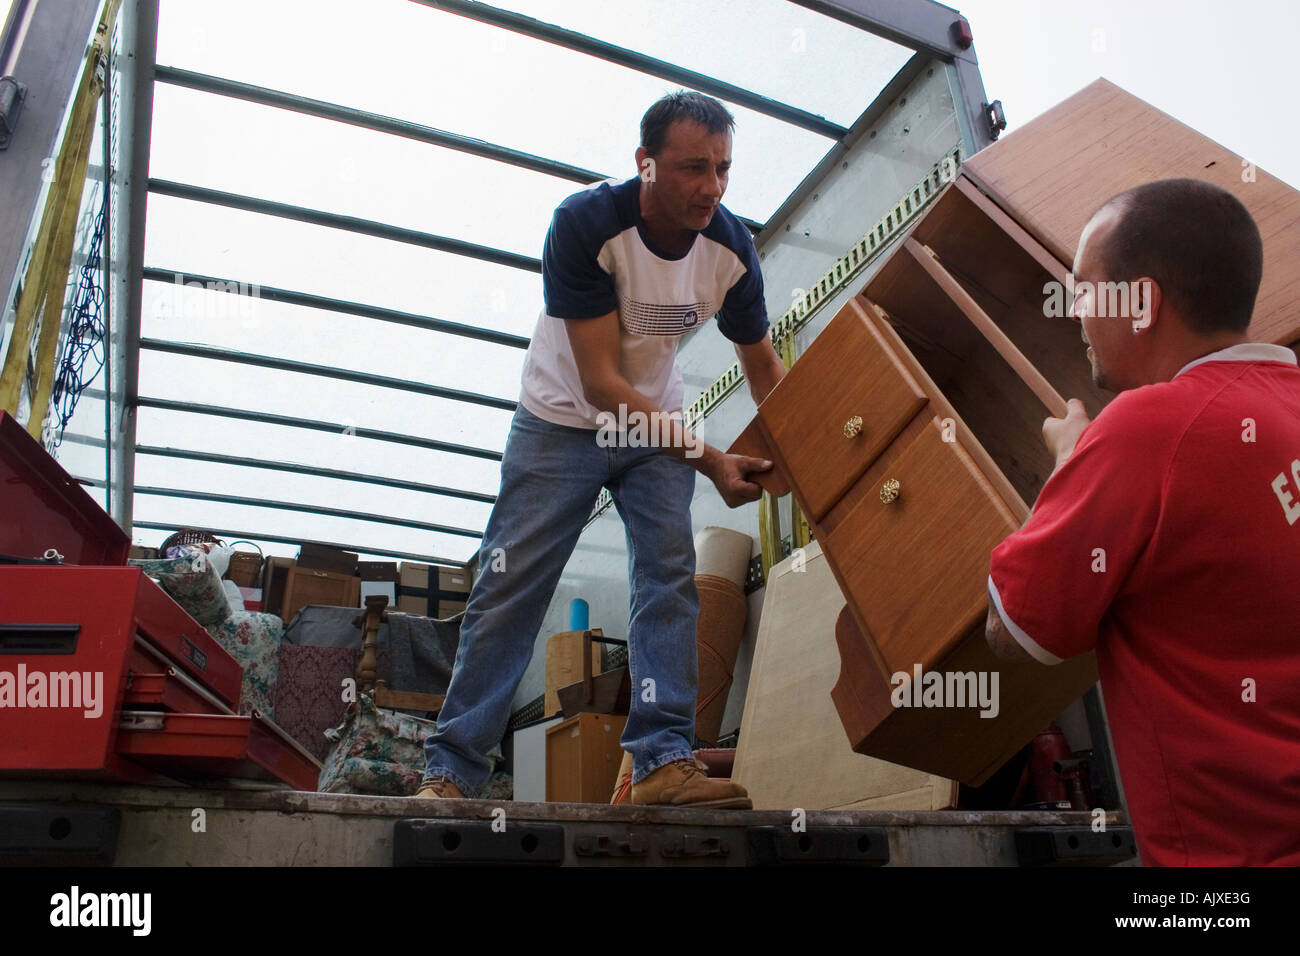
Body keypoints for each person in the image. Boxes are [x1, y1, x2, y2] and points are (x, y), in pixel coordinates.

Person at [416, 91, 786, 807]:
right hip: (562, 420)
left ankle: (659, 762)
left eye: (723, 170)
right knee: (510, 586)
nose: (711, 187)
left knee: (669, 578)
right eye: (692, 168)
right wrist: (709, 458)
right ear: (645, 164)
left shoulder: (731, 250)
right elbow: (602, 384)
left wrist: (809, 455)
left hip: (653, 429)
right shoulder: (585, 223)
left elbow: (763, 365)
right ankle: (453, 770)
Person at [985, 177, 1300, 865]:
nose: (1077, 313)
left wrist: (1073, 461)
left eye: (1085, 288)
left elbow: (1013, 629)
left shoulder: (1148, 427)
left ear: (1144, 302)